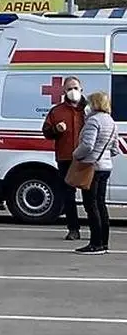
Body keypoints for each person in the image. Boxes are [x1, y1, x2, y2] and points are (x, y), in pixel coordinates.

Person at [72, 91, 119, 255]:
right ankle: (104, 243)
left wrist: (76, 155)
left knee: (91, 206)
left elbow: (87, 146)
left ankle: (95, 244)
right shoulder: (111, 122)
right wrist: (104, 154)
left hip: (92, 167)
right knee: (101, 204)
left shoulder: (93, 121)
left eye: (90, 103)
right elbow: (115, 149)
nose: (87, 107)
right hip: (106, 167)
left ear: (95, 104)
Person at [42, 76, 87, 241]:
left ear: (81, 89)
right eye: (69, 88)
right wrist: (56, 129)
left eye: (75, 87)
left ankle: (96, 231)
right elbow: (46, 132)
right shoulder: (57, 111)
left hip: (86, 159)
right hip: (65, 157)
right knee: (68, 195)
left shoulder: (88, 110)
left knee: (90, 196)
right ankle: (73, 229)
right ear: (63, 91)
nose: (72, 91)